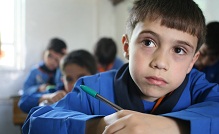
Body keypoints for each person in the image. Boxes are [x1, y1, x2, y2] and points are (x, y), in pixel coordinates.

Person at [22, 0, 219, 134]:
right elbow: (35, 122)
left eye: (179, 50)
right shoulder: (95, 88)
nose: (160, 62)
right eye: (149, 43)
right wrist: (98, 125)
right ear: (126, 47)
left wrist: (170, 126)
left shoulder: (197, 88)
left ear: (192, 62)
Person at [18, 38, 67, 113]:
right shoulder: (35, 71)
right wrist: (38, 88)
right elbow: (25, 92)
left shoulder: (62, 72)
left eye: (57, 59)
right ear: (44, 53)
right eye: (49, 56)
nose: (52, 61)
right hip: (36, 107)